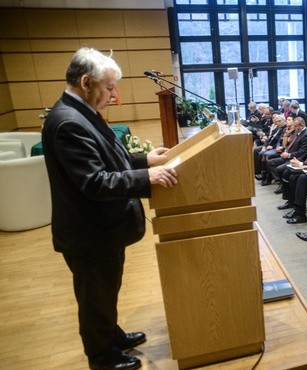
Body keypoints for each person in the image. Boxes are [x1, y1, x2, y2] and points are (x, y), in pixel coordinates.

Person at [42, 47, 179, 370]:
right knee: (94, 299)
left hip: (100, 230)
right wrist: (148, 177)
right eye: (109, 88)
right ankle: (102, 357)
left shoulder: (82, 113)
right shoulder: (68, 123)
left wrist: (145, 160)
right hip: (88, 234)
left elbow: (109, 160)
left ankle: (111, 336)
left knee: (105, 291)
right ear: (86, 82)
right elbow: (96, 182)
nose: (113, 94)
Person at [264, 116, 307, 186]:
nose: (295, 128)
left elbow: (303, 151)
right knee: (270, 161)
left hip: (295, 158)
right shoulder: (296, 132)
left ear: (302, 125)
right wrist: (284, 150)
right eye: (294, 126)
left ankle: (282, 184)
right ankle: (279, 181)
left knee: (279, 169)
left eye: (296, 126)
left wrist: (289, 155)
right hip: (287, 155)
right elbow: (290, 144)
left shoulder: (306, 135)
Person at [254, 114, 286, 180]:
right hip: (269, 145)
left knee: (262, 154)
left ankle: (266, 175)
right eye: (276, 121)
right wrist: (265, 146)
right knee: (256, 150)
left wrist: (272, 147)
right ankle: (257, 171)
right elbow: (270, 138)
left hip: (275, 147)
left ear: (284, 120)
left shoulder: (285, 129)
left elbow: (279, 142)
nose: (278, 123)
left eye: (279, 121)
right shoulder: (277, 128)